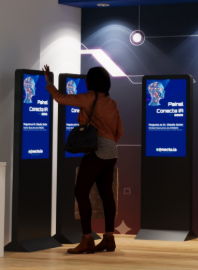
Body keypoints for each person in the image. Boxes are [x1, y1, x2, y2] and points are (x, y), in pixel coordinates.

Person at [42, 65, 123, 254]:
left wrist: (49, 83)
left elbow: (61, 98)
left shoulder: (90, 97)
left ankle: (87, 239)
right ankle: (109, 238)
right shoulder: (112, 102)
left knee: (80, 191)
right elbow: (120, 130)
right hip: (112, 151)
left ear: (92, 81)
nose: (85, 81)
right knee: (106, 194)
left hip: (97, 151)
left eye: (88, 78)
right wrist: (109, 142)